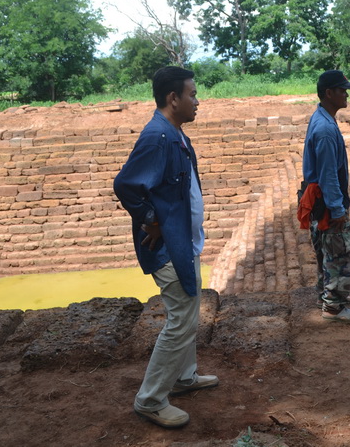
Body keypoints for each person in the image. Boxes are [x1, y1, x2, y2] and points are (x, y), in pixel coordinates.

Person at [113, 66, 218, 428]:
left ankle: (184, 377)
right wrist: (148, 220)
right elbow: (126, 185)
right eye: (192, 94)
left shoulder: (174, 133)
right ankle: (151, 399)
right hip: (167, 245)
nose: (197, 101)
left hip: (182, 241)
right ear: (173, 98)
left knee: (189, 311)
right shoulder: (157, 137)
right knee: (181, 319)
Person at [301, 70, 350, 324]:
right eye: (342, 90)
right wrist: (337, 209)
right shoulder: (326, 129)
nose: (346, 94)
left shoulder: (321, 119)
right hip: (327, 203)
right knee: (341, 254)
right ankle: (334, 306)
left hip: (318, 201)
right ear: (329, 93)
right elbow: (328, 176)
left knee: (327, 253)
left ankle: (325, 297)